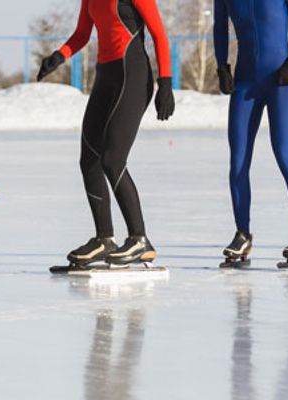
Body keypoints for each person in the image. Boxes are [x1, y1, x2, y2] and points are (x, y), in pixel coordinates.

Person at [38, 0, 175, 267]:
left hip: (132, 75)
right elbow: (82, 34)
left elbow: (158, 33)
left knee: (112, 159)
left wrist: (166, 83)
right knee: (89, 159)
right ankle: (104, 239)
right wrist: (59, 55)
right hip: (105, 77)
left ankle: (139, 240)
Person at [214, 0, 288, 266]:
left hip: (280, 82)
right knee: (238, 162)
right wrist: (222, 66)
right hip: (245, 83)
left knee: (285, 155)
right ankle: (242, 234)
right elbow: (220, 28)